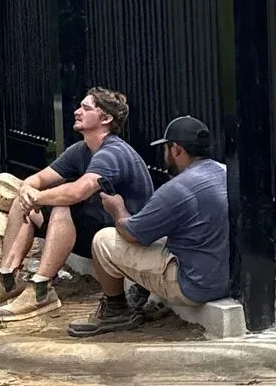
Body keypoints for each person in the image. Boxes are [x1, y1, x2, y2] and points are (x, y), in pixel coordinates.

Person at [0, 88, 154, 324]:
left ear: (106, 119)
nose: (77, 111)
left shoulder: (112, 152)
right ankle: (7, 279)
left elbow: (78, 191)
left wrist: (37, 197)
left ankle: (41, 288)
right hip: (96, 228)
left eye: (86, 108)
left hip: (122, 236)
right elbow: (38, 179)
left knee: (61, 205)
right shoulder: (80, 150)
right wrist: (26, 190)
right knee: (21, 202)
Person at [71, 115, 233, 336]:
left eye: (166, 149)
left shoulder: (178, 188)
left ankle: (116, 311)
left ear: (175, 149)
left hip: (195, 286)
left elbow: (131, 234)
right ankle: (145, 291)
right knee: (162, 236)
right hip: (230, 280)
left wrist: (117, 209)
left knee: (104, 239)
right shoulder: (227, 173)